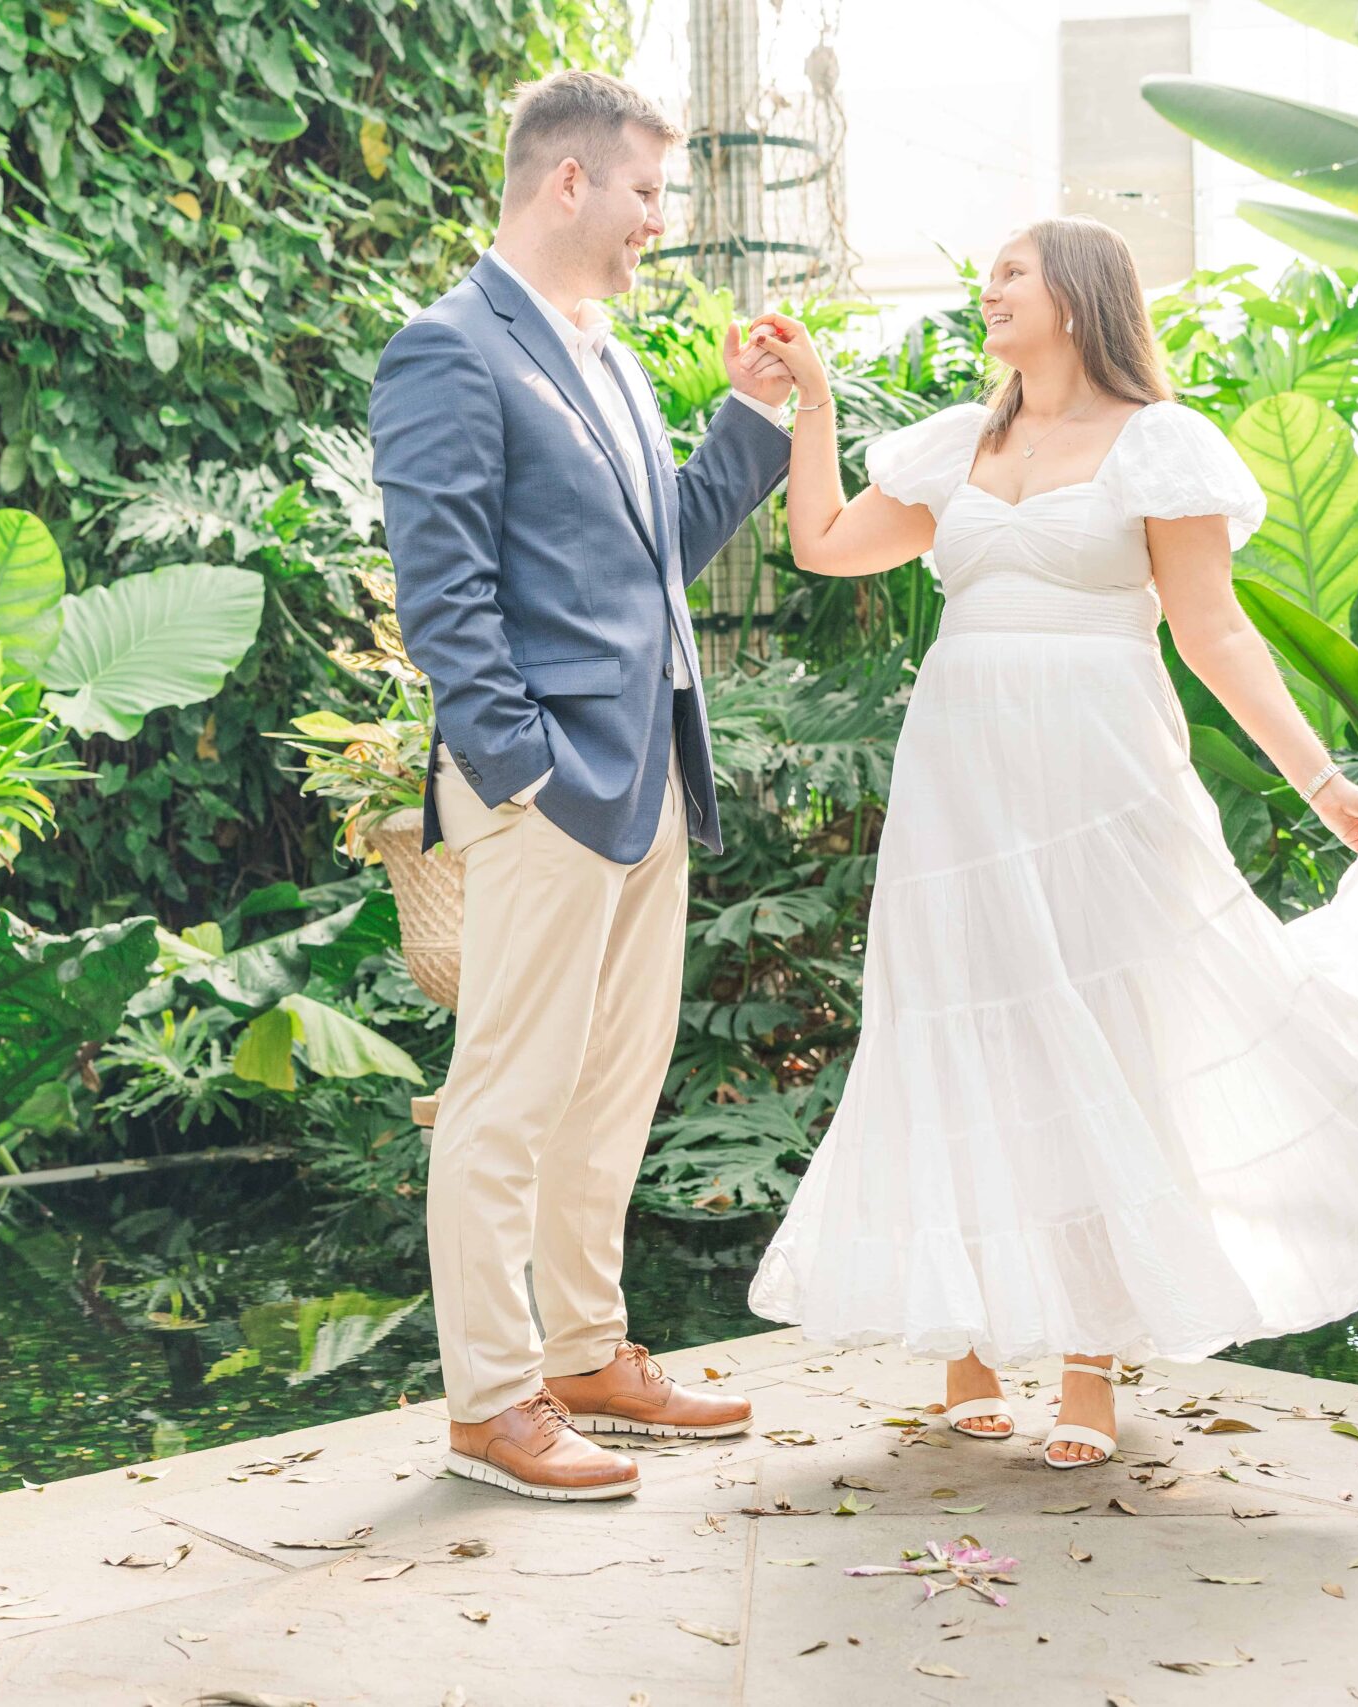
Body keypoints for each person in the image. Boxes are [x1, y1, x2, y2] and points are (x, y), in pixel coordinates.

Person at [736, 217, 1358, 1469]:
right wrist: (808, 403)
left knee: (1102, 1036)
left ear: (1079, 300)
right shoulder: (955, 445)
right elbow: (824, 547)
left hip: (1103, 782)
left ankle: (1090, 1360)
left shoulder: (1159, 446)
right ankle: (966, 1344)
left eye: (1010, 273)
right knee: (956, 1034)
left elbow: (1214, 632)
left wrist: (1317, 780)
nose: (988, 289)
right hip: (958, 789)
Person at [368, 70, 799, 1501]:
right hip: (548, 788)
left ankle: (587, 1352)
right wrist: (523, 772)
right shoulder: (446, 350)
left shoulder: (606, 357)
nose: (656, 220)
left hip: (650, 771)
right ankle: (493, 1403)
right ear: (569, 181)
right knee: (507, 1096)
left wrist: (748, 419)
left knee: (611, 1089)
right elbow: (444, 598)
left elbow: (655, 550)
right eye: (645, 192)